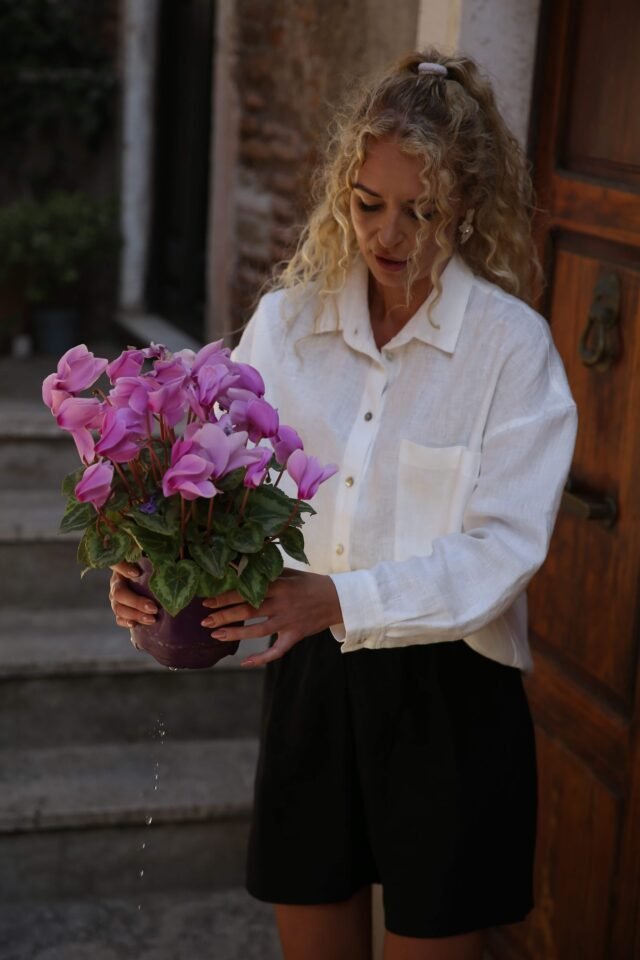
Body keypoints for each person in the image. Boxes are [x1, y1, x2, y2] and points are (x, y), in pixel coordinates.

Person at [109, 49, 578, 960]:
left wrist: (338, 598)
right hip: (313, 686)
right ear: (341, 190)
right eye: (368, 203)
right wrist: (148, 576)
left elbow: (502, 551)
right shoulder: (287, 324)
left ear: (468, 207)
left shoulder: (509, 350)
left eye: (423, 209)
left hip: (453, 700)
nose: (388, 233)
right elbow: (220, 485)